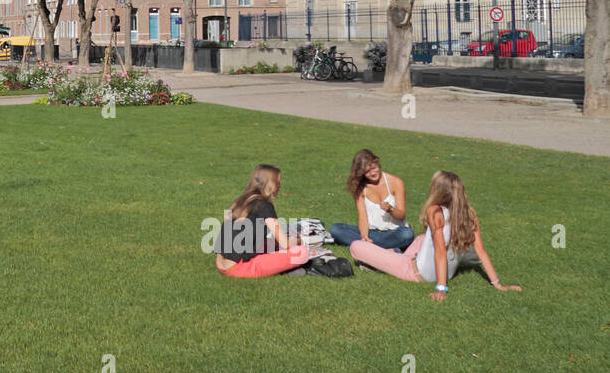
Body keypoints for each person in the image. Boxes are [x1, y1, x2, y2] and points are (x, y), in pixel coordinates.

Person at [350, 170, 522, 300]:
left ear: (439, 191)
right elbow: (481, 252)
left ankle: (393, 255)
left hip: (416, 272)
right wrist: (498, 284)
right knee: (421, 238)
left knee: (356, 246)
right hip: (447, 272)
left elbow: (440, 251)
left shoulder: (434, 211)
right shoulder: (469, 212)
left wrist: (441, 288)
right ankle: (394, 253)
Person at [214, 164, 311, 278]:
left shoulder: (239, 201)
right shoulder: (264, 205)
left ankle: (282, 268)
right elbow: (285, 244)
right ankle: (283, 268)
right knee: (302, 252)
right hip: (238, 267)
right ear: (270, 184)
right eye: (278, 182)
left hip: (221, 263)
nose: (280, 185)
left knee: (269, 244)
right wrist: (300, 241)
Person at [329, 149, 415, 252]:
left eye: (373, 168)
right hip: (371, 232)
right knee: (336, 229)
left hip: (394, 232)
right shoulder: (360, 188)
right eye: (367, 172)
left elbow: (401, 215)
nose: (372, 173)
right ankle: (386, 249)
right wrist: (364, 236)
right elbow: (363, 217)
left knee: (407, 234)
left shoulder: (396, 182)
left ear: (377, 163)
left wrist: (390, 210)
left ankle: (363, 248)